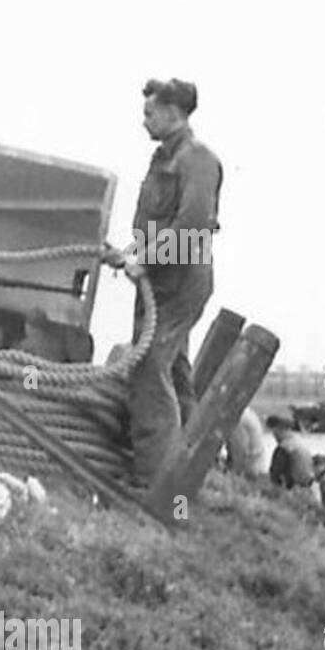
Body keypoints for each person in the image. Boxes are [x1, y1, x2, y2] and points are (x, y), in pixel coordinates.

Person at [108, 78, 223, 485]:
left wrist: (148, 260)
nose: (144, 122)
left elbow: (192, 227)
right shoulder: (163, 160)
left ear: (173, 113)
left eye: (149, 113)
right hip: (159, 278)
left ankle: (155, 482)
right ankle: (189, 471)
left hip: (179, 281)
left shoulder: (197, 161)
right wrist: (131, 253)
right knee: (172, 371)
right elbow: (157, 224)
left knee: (148, 368)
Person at [267, 415, 317, 489]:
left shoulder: (283, 448)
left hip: (292, 487)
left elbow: (275, 475)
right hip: (307, 486)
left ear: (281, 430)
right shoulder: (299, 443)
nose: (274, 436)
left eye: (275, 432)